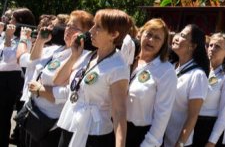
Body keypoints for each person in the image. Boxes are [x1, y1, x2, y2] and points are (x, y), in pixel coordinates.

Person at [54, 9, 132, 147]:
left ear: (113, 34)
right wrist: (73, 57)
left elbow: (119, 112)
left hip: (93, 134)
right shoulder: (88, 56)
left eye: (98, 27)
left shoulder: (118, 66)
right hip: (71, 124)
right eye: (93, 25)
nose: (91, 30)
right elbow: (58, 81)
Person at [22, 10, 94, 147]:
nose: (68, 29)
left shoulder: (85, 58)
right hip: (32, 112)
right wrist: (40, 41)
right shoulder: (56, 49)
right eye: (68, 25)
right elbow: (32, 62)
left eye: (75, 27)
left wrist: (41, 91)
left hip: (50, 124)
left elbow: (70, 91)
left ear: (85, 34)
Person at [126, 18, 177, 147]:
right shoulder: (127, 59)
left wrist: (149, 143)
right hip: (114, 129)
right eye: (148, 34)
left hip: (140, 136)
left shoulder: (166, 71)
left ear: (163, 44)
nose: (151, 40)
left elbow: (163, 114)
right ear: (140, 34)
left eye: (157, 38)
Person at [164, 24, 209, 147]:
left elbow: (193, 116)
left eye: (183, 36)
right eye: (179, 33)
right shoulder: (171, 67)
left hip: (176, 141)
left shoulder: (197, 75)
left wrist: (180, 142)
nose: (177, 37)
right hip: (159, 137)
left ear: (193, 46)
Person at [0, 7, 36, 147]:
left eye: (13, 19)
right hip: (2, 77)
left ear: (20, 21)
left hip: (10, 79)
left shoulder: (25, 38)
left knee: (2, 117)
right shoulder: (6, 35)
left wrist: (8, 37)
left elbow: (10, 59)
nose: (10, 21)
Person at [193, 32, 225, 146]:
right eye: (210, 45)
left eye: (217, 46)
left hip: (206, 127)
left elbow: (224, 113)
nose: (212, 49)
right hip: (188, 121)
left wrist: (212, 141)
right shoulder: (198, 70)